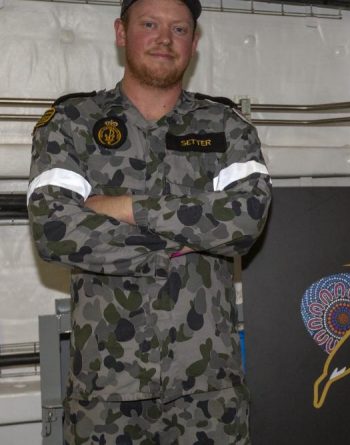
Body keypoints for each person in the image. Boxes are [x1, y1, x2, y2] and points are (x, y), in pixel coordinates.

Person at [27, 0, 271, 442]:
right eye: (150, 24)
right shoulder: (72, 124)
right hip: (106, 392)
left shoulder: (228, 127)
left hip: (208, 393)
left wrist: (124, 207)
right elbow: (54, 229)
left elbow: (245, 222)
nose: (164, 38)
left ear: (194, 43)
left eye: (179, 29)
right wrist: (193, 231)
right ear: (122, 33)